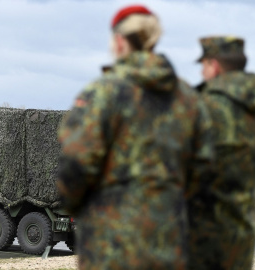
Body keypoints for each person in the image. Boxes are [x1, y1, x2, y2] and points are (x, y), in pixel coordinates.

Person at [57, 5, 214, 269]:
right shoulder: (191, 100)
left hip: (111, 249)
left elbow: (74, 170)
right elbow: (207, 174)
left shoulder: (103, 94)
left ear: (119, 41)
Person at [187, 36, 255, 270]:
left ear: (213, 65)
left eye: (203, 65)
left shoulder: (206, 106)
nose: (202, 72)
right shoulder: (254, 109)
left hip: (203, 230)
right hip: (242, 229)